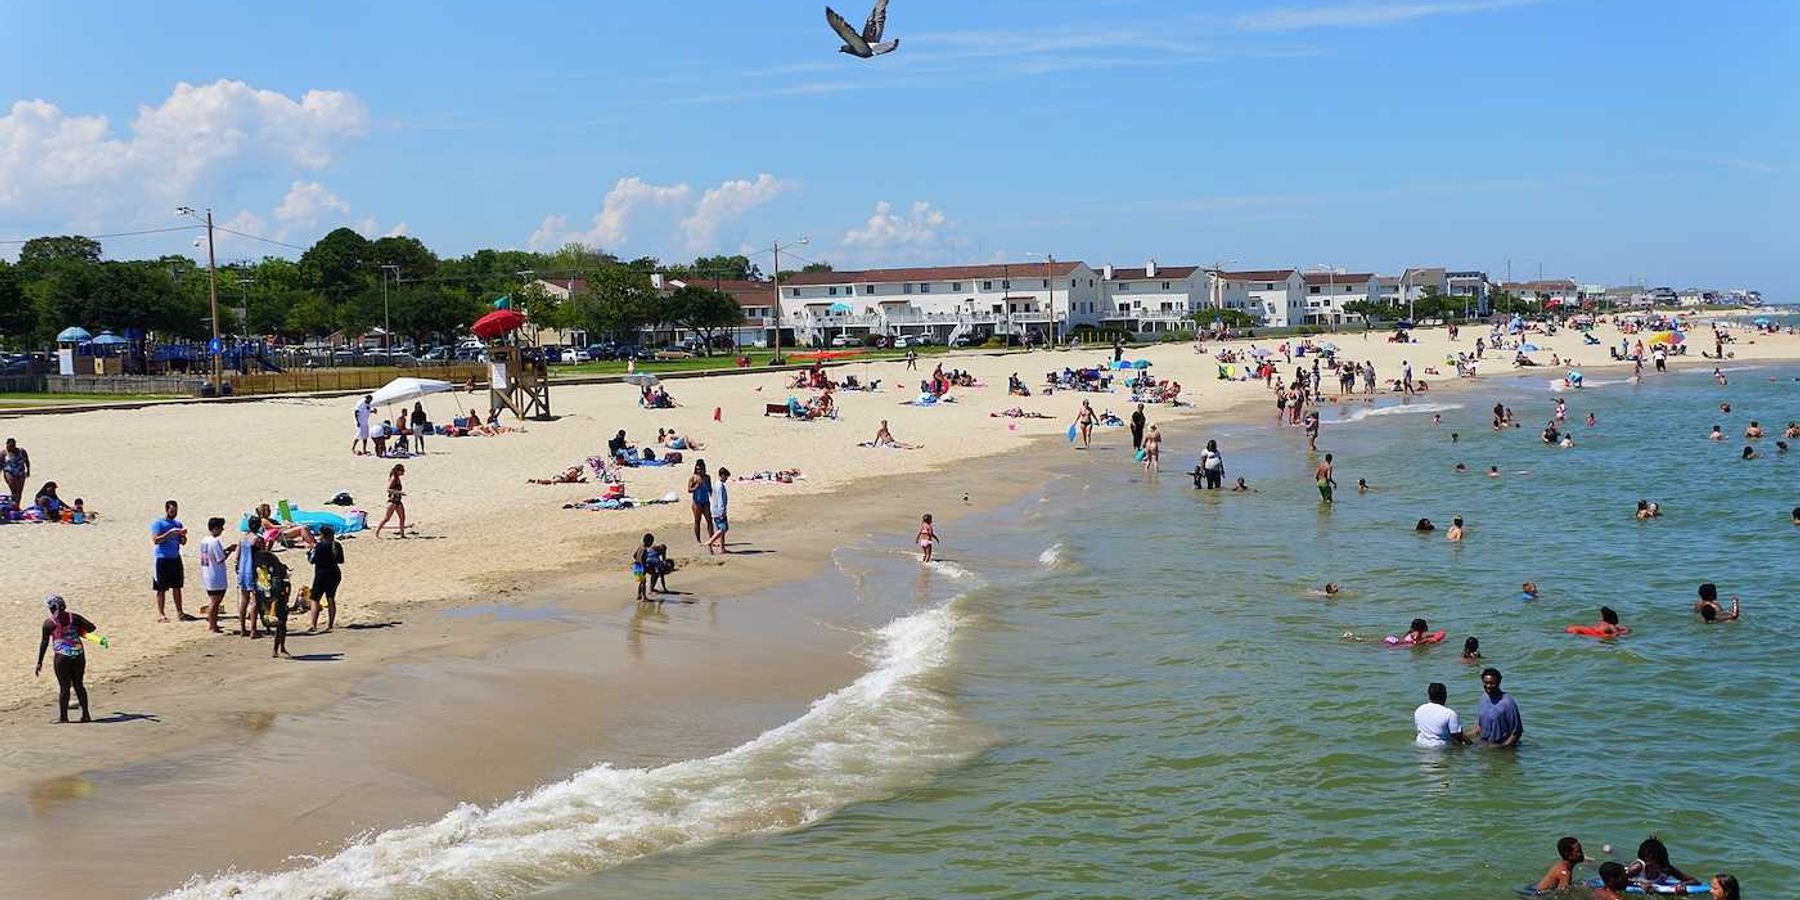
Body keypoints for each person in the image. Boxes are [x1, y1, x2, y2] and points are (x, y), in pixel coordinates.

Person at [36, 596, 96, 724]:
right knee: (79, 685)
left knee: (64, 687)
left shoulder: (49, 623)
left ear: (51, 608)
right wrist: (78, 631)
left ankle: (64, 717)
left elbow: (44, 643)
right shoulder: (74, 618)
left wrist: (39, 662)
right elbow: (92, 628)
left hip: (62, 656)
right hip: (78, 654)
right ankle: (86, 715)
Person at [151, 499, 190, 622]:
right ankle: (161, 614)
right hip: (162, 558)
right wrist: (170, 533)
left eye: (175, 510)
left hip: (175, 557)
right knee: (161, 588)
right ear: (167, 509)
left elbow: (183, 542)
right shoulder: (159, 523)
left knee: (177, 586)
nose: (174, 512)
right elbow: (156, 540)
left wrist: (182, 536)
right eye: (172, 510)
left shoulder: (178, 524)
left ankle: (180, 612)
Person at [1624, 837, 1698, 890]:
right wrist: (1640, 884)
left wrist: (1681, 884)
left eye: (1661, 863)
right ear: (1646, 862)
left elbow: (1694, 881)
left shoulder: (1666, 869)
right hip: (1624, 872)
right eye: (1658, 864)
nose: (1661, 867)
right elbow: (1619, 880)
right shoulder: (1637, 867)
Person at [308, 525, 344, 632]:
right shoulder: (336, 545)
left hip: (321, 573)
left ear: (322, 535)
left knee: (315, 599)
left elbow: (312, 560)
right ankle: (330, 624)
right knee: (331, 598)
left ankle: (313, 624)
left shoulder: (319, 546)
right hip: (335, 573)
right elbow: (341, 560)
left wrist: (309, 552)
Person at [198, 516, 231, 634]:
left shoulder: (204, 540)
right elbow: (220, 558)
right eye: (221, 527)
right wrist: (230, 550)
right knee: (215, 602)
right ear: (215, 528)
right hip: (215, 575)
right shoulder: (214, 541)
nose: (222, 530)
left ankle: (213, 623)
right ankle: (212, 625)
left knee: (214, 601)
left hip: (207, 574)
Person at [1413, 682, 1469, 748]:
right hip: (1439, 748)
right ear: (1445, 695)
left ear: (1429, 695)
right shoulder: (1449, 713)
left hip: (1420, 745)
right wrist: (1471, 744)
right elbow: (1457, 736)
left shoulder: (1419, 710)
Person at [1476, 667, 1523, 746]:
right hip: (1485, 745)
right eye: (1486, 683)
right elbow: (1480, 726)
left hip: (1501, 747)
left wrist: (1501, 748)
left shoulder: (1507, 703)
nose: (1488, 686)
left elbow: (1516, 733)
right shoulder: (1483, 698)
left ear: (1499, 682)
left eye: (1492, 683)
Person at [236, 516, 264, 638]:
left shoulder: (242, 538)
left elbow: (237, 556)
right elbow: (264, 555)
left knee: (244, 600)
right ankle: (253, 629)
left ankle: (242, 628)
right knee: (255, 601)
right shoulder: (257, 539)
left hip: (242, 570)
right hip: (253, 571)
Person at [374, 464, 407, 538]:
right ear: (398, 471)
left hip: (398, 501)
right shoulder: (394, 479)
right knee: (387, 518)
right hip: (392, 501)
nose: (403, 472)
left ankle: (402, 534)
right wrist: (399, 492)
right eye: (402, 470)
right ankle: (377, 532)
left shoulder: (398, 478)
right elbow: (388, 490)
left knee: (402, 518)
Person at [687, 460, 714, 544]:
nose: (699, 471)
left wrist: (714, 498)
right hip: (696, 503)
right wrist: (696, 486)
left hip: (706, 502)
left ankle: (711, 539)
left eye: (701, 469)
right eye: (697, 469)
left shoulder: (707, 477)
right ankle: (698, 540)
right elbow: (689, 490)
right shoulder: (693, 478)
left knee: (709, 520)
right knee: (697, 521)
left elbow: (710, 489)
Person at [707, 468, 731, 554]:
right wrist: (722, 511)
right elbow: (720, 500)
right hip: (719, 511)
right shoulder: (720, 486)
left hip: (714, 510)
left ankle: (722, 548)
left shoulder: (716, 484)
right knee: (724, 528)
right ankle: (710, 541)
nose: (726, 479)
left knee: (720, 530)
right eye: (726, 477)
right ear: (722, 475)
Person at [2, 437, 29, 504]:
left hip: (20, 471)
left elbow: (27, 461)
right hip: (9, 471)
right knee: (13, 490)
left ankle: (17, 504)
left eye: (12, 446)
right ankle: (13, 504)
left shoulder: (22, 451)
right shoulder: (4, 453)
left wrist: (28, 470)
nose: (11, 447)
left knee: (19, 491)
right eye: (9, 446)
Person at [633, 533, 655, 602]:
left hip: (636, 565)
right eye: (651, 542)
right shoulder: (645, 549)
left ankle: (639, 595)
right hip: (641, 566)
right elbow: (643, 558)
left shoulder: (640, 547)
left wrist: (637, 560)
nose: (651, 544)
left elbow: (634, 555)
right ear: (648, 542)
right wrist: (644, 565)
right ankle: (644, 597)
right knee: (643, 582)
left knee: (641, 582)